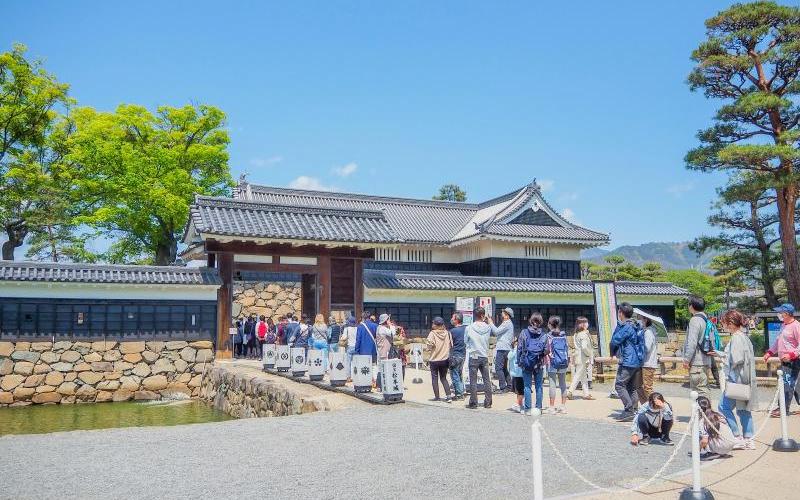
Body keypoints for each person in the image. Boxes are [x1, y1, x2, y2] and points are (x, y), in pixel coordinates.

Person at [717, 309, 758, 450]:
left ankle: (736, 436)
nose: (723, 325)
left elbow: (736, 359)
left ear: (731, 323)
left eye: (724, 322)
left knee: (723, 407)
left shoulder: (735, 337)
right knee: (744, 410)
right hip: (746, 380)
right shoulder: (744, 336)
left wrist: (725, 358)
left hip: (736, 380)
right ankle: (748, 438)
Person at [763, 303, 800, 417]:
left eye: (781, 312)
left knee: (787, 384)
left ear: (787, 314)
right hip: (784, 361)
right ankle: (783, 407)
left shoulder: (796, 326)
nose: (779, 314)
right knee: (795, 385)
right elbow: (778, 341)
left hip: (793, 361)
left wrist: (792, 354)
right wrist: (769, 352)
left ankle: (783, 409)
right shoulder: (783, 325)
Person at [610, 302, 644, 422]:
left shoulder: (626, 327)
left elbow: (615, 340)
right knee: (631, 387)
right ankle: (634, 409)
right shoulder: (636, 325)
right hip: (637, 360)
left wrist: (612, 353)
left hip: (628, 360)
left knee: (619, 385)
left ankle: (629, 410)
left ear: (621, 313)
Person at [517, 312, 549, 415]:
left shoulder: (524, 332)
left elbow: (519, 348)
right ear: (540, 322)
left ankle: (527, 409)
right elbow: (547, 350)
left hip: (526, 362)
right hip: (538, 363)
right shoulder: (544, 335)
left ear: (531, 321)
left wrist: (519, 361)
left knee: (527, 386)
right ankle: (538, 408)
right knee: (539, 386)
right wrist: (539, 355)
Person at [683, 296, 713, 397]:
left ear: (691, 306)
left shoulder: (695, 320)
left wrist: (687, 360)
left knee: (698, 392)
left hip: (697, 362)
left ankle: (705, 412)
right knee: (703, 389)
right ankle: (706, 411)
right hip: (705, 360)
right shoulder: (705, 319)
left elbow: (692, 342)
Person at [465, 307, 494, 409]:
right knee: (487, 379)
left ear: (474, 315)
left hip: (473, 355)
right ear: (483, 315)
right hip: (484, 355)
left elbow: (466, 341)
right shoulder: (488, 327)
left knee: (473, 380)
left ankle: (473, 402)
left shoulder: (469, 327)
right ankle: (488, 402)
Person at [697, 395, 735, 461]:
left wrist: (697, 449)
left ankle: (712, 452)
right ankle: (719, 451)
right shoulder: (718, 414)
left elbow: (704, 441)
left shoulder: (703, 421)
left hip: (721, 446)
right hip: (730, 444)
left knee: (699, 434)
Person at [426, 316, 453, 402]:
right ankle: (449, 396)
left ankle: (437, 397)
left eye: (433, 323)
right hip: (445, 359)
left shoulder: (432, 333)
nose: (432, 324)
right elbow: (451, 345)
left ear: (436, 325)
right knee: (443, 378)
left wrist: (429, 347)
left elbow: (429, 345)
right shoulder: (447, 333)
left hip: (434, 359)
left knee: (434, 378)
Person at [566, 317, 594, 400]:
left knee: (583, 376)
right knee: (578, 375)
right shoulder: (583, 334)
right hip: (583, 358)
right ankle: (570, 392)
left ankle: (586, 393)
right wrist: (590, 354)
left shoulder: (577, 334)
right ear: (583, 324)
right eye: (586, 322)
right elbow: (584, 347)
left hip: (578, 357)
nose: (587, 324)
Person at [546, 316, 569, 414]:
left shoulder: (549, 336)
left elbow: (546, 350)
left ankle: (552, 407)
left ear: (550, 324)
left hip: (552, 362)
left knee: (552, 384)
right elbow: (567, 349)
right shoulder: (563, 335)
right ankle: (563, 406)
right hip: (563, 362)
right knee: (563, 384)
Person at [493, 307, 515, 393]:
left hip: (502, 348)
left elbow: (496, 331)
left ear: (507, 315)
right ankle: (509, 386)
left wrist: (491, 323)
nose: (501, 314)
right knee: (504, 368)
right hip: (506, 347)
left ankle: (502, 387)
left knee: (498, 368)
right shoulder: (508, 323)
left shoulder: (506, 323)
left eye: (503, 313)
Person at [448, 312, 467, 401]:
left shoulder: (452, 331)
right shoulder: (466, 329)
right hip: (463, 354)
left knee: (454, 375)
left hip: (455, 355)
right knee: (459, 374)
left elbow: (449, 344)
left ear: (456, 320)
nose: (451, 319)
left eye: (453, 318)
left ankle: (459, 394)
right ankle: (462, 391)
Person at [640, 317, 658, 402]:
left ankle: (657, 406)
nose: (639, 321)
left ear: (645, 320)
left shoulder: (648, 332)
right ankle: (647, 406)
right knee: (643, 387)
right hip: (648, 363)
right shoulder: (650, 331)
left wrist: (638, 345)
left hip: (648, 363)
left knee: (647, 388)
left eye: (640, 319)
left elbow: (646, 348)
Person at [376, 314, 395, 390]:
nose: (389, 321)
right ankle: (381, 386)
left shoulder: (379, 327)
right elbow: (392, 333)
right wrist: (391, 325)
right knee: (383, 369)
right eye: (388, 319)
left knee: (381, 368)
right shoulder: (383, 329)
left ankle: (379, 386)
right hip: (384, 351)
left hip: (381, 351)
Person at [508, 336, 524, 413]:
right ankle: (520, 404)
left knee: (520, 391)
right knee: (519, 391)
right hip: (519, 373)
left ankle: (517, 404)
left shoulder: (516, 349)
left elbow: (509, 357)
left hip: (518, 373)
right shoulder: (522, 348)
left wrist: (513, 348)